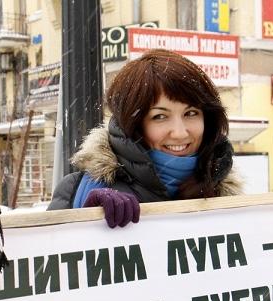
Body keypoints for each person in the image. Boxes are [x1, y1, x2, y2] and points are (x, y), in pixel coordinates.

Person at [47, 48, 242, 227]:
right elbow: (50, 260)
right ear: (135, 125)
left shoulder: (229, 197)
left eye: (191, 113)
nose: (180, 132)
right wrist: (86, 222)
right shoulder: (78, 189)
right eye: (160, 116)